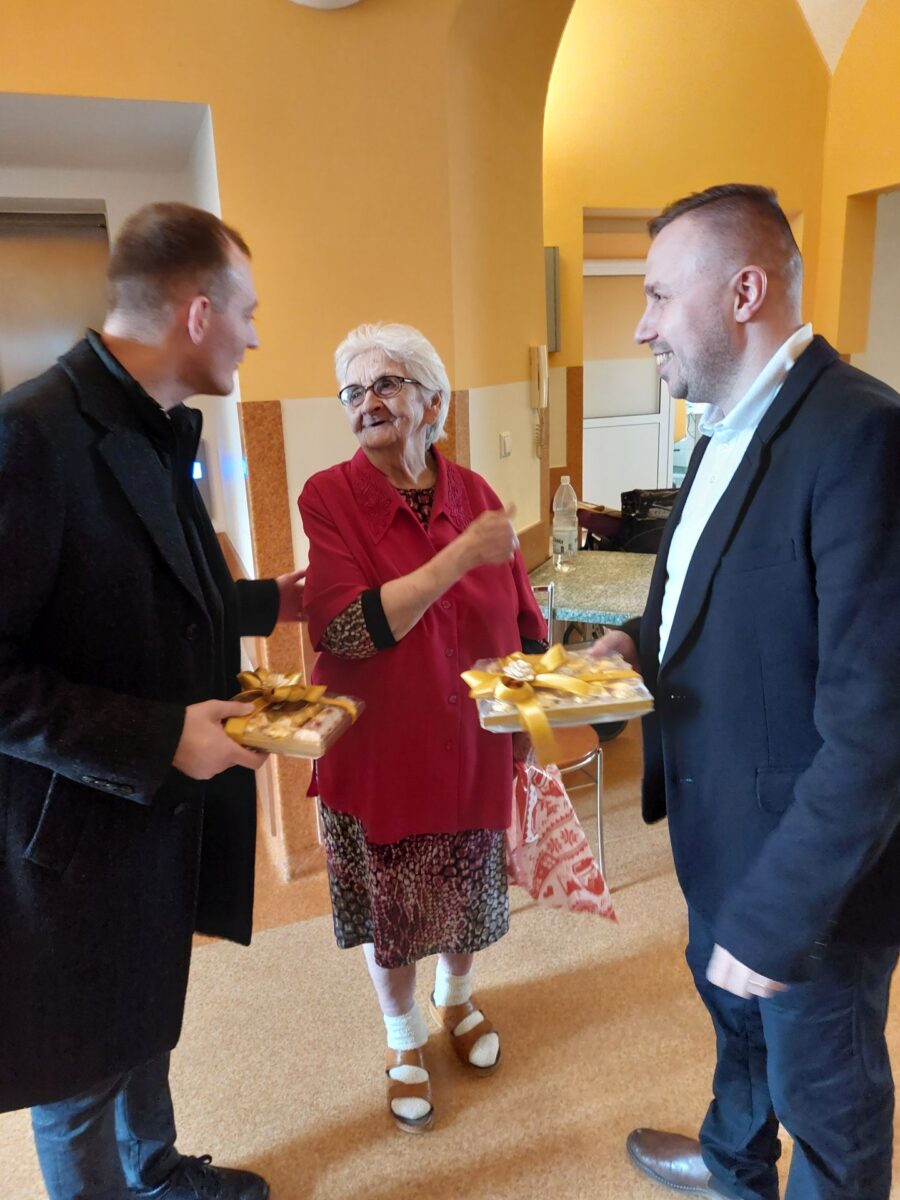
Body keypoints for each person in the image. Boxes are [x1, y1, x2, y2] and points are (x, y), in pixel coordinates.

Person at [592, 184, 900, 1199]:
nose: (641, 326)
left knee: (829, 1105)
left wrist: (778, 912)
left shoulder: (863, 435)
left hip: (813, 881)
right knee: (740, 1041)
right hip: (719, 829)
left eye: (656, 297)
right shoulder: (725, 424)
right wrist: (637, 643)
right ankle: (733, 1164)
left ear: (744, 292)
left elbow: (878, 723)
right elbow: (715, 585)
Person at [0, 202, 306, 1200]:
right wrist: (165, 736)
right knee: (78, 1070)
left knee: (143, 1018)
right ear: (197, 312)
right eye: (247, 313)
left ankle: (157, 1169)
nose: (254, 336)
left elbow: (147, 589)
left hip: (151, 822)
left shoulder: (156, 428)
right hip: (72, 834)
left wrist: (270, 602)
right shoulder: (31, 434)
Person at [298, 323, 545, 1133]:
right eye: (353, 390)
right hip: (380, 753)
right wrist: (457, 558)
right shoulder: (330, 496)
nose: (367, 401)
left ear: (432, 402)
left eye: (387, 383)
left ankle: (457, 999)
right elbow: (343, 629)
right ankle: (403, 1036)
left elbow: (522, 614)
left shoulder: (475, 493)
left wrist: (535, 698)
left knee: (467, 894)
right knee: (394, 914)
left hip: (472, 740)